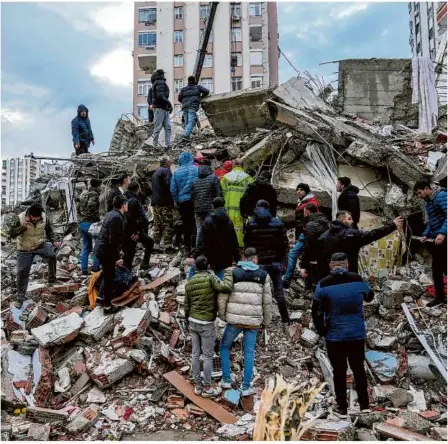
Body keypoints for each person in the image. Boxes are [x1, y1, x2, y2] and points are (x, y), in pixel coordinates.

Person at [312, 252, 374, 418]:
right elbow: (370, 297)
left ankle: (342, 408)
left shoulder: (323, 284)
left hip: (335, 335)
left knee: (339, 372)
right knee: (358, 369)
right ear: (346, 265)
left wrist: (322, 330)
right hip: (357, 334)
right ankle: (364, 405)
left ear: (331, 265)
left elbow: (315, 311)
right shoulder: (357, 279)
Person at [218, 247, 272, 396]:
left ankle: (226, 379)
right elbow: (267, 301)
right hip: (252, 322)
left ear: (243, 258)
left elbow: (223, 296)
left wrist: (223, 316)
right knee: (249, 352)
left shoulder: (233, 273)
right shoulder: (263, 275)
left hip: (234, 320)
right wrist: (266, 321)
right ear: (255, 259)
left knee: (224, 347)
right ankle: (246, 386)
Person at [185, 255, 233, 398]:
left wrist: (188, 320)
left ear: (195, 267)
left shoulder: (190, 282)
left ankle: (198, 387)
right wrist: (229, 273)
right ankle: (207, 388)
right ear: (208, 266)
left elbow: (187, 305)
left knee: (195, 354)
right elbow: (226, 287)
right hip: (206, 323)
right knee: (207, 356)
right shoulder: (211, 278)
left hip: (193, 321)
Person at [316, 211, 403, 281]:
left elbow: (319, 257)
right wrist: (392, 225)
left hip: (328, 275)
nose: (352, 221)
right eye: (349, 219)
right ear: (343, 220)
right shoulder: (351, 234)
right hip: (348, 274)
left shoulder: (324, 236)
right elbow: (372, 234)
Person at [244, 200, 290, 324]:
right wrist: (279, 258)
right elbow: (284, 244)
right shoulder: (277, 222)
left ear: (257, 207)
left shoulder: (251, 223)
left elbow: (247, 244)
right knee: (279, 291)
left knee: (257, 291)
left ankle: (256, 319)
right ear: (268, 208)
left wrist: (252, 259)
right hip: (274, 261)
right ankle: (285, 319)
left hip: (258, 262)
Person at [9, 203, 61, 308]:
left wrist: (54, 240)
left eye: (38, 217)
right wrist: (23, 226)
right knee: (22, 272)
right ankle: (20, 298)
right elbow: (11, 233)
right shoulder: (20, 218)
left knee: (52, 255)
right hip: (24, 249)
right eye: (34, 217)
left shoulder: (44, 216)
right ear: (29, 214)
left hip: (40, 245)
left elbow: (49, 230)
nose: (36, 219)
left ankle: (52, 279)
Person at [414, 180, 447, 307]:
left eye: (420, 192)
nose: (419, 196)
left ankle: (440, 297)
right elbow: (431, 222)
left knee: (440, 268)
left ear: (427, 189)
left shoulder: (441, 196)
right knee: (437, 270)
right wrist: (425, 234)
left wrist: (443, 233)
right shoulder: (428, 203)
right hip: (437, 239)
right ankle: (440, 298)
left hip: (444, 238)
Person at [93, 195, 128, 314]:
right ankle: (107, 306)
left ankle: (101, 298)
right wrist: (117, 258)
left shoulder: (111, 214)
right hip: (106, 251)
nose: (127, 206)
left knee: (107, 274)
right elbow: (113, 240)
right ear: (123, 205)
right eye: (126, 204)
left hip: (101, 249)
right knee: (109, 277)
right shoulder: (117, 218)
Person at [192, 197, 240, 280]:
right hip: (225, 256)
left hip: (211, 255)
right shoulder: (228, 221)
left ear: (213, 206)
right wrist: (237, 257)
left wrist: (197, 255)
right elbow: (233, 240)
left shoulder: (208, 221)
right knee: (221, 277)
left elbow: (201, 241)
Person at [283, 203, 329, 289]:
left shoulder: (310, 225)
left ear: (307, 211)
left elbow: (306, 242)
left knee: (292, 254)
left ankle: (287, 279)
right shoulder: (324, 221)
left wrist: (304, 257)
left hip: (309, 246)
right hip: (321, 249)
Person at [170, 152, 199, 252]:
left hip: (182, 201)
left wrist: (176, 200)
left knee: (186, 223)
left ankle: (187, 246)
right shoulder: (196, 169)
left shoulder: (176, 172)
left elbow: (173, 189)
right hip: (195, 200)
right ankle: (195, 244)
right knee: (196, 222)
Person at [221, 159, 253, 247]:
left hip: (227, 208)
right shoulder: (248, 178)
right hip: (242, 209)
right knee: (240, 227)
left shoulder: (225, 178)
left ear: (233, 166)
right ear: (242, 166)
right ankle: (241, 244)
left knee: (228, 226)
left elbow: (220, 194)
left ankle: (228, 244)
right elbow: (251, 196)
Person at [123, 182, 154, 271]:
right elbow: (132, 217)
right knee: (130, 252)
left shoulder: (125, 197)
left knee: (130, 251)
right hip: (131, 231)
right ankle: (128, 272)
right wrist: (136, 231)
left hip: (127, 230)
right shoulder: (133, 200)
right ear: (137, 189)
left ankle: (142, 265)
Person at [191, 160, 222, 241]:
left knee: (199, 229)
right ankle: (212, 249)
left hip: (198, 209)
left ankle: (199, 249)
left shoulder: (194, 180)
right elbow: (218, 193)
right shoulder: (213, 177)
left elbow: (192, 195)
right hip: (210, 208)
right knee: (212, 229)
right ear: (209, 168)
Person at [77, 179, 101, 275]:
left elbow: (78, 208)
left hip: (82, 223)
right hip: (91, 224)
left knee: (86, 247)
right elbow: (92, 207)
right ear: (98, 186)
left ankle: (84, 269)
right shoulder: (94, 194)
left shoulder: (83, 194)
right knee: (98, 246)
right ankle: (95, 267)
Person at [151, 156, 174, 252]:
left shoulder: (155, 172)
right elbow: (169, 184)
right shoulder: (166, 171)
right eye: (170, 161)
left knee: (158, 224)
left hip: (155, 202)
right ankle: (168, 246)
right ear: (166, 162)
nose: (171, 162)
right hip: (164, 202)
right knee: (167, 223)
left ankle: (156, 245)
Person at [151, 69, 173, 149]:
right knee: (158, 127)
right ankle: (155, 146)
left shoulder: (159, 82)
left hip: (164, 108)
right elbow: (160, 95)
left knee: (168, 127)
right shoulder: (159, 82)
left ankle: (168, 145)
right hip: (159, 107)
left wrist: (167, 105)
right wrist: (169, 103)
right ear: (162, 74)